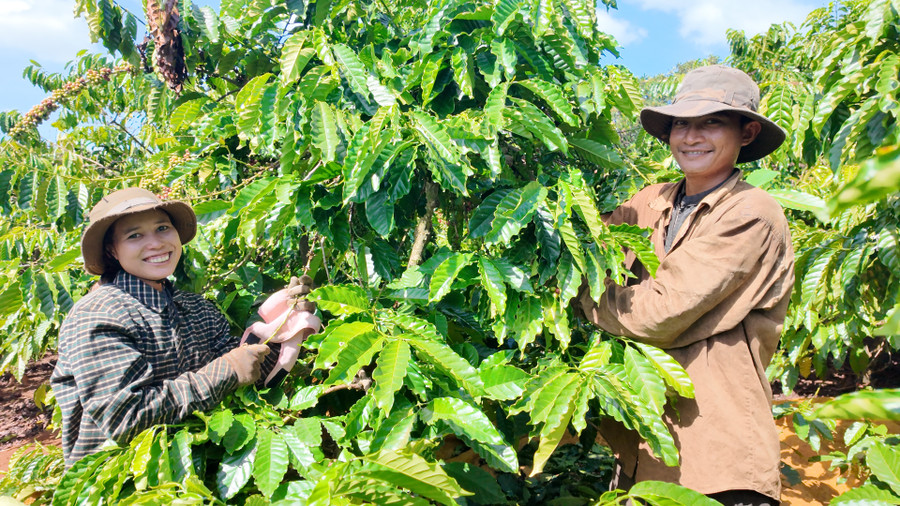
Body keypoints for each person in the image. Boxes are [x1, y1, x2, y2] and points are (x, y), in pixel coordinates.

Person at [576, 65, 794, 505]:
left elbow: (658, 314)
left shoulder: (751, 212)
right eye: (681, 123)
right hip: (643, 451)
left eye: (711, 122)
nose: (691, 137)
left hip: (718, 460)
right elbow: (587, 244)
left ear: (747, 133)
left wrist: (583, 292)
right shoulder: (650, 200)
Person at [51, 188, 312, 467]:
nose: (155, 243)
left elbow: (248, 374)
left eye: (162, 228)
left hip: (198, 470)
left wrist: (283, 324)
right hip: (119, 483)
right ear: (111, 250)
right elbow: (125, 418)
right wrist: (225, 370)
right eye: (134, 235)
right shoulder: (98, 315)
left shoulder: (196, 307)